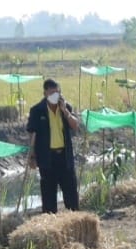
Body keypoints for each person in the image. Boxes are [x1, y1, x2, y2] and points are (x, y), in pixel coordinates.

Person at [26, 77, 83, 214]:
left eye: (57, 93)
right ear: (45, 93)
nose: (54, 96)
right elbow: (32, 134)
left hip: (64, 158)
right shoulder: (37, 110)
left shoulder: (65, 107)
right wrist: (32, 156)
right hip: (47, 160)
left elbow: (75, 126)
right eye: (51, 93)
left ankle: (73, 224)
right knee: (49, 200)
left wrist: (65, 111)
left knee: (71, 197)